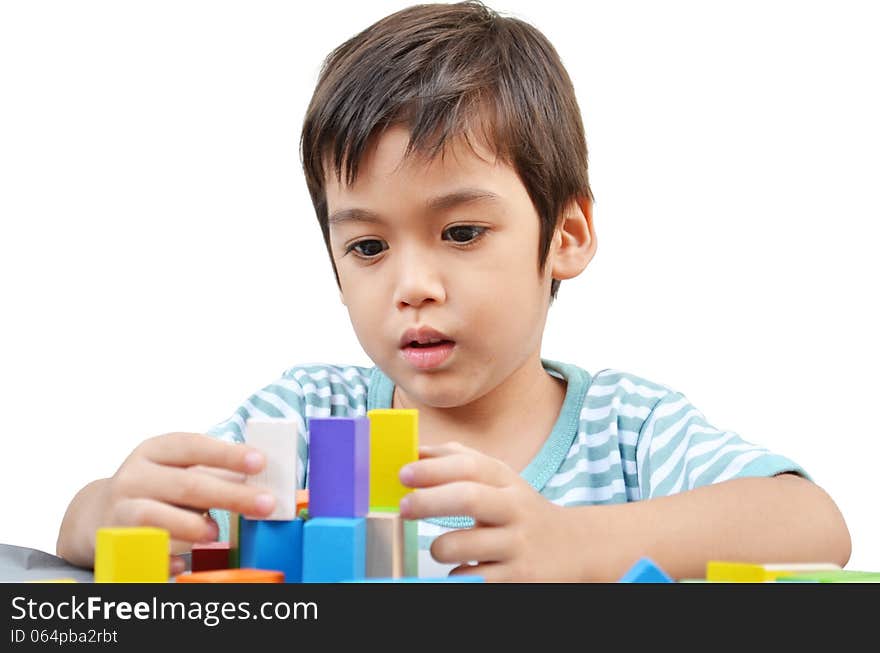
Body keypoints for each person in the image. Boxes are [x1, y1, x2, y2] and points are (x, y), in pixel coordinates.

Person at [56, 1, 850, 582]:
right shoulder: (310, 417)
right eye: (367, 245)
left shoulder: (630, 433)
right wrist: (111, 511)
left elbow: (814, 527)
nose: (413, 286)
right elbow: (89, 527)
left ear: (565, 236)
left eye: (462, 233)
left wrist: (574, 543)